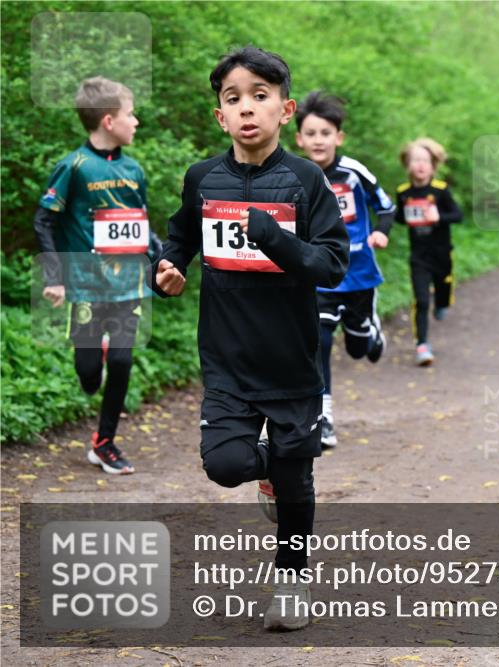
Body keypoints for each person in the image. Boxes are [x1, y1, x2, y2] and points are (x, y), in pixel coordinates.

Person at [151, 46, 349, 631]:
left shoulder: (306, 180)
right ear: (219, 115)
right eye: (233, 98)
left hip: (290, 359)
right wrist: (167, 270)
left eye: (260, 97)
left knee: (296, 478)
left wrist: (276, 241)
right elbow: (179, 237)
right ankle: (270, 465)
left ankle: (292, 582)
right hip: (227, 357)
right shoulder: (202, 178)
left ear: (284, 109)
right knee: (224, 465)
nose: (246, 109)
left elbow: (332, 264)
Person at [34, 76, 163, 475]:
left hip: (128, 284)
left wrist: (158, 253)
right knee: (89, 377)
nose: (136, 121)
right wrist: (54, 277)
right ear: (109, 121)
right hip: (86, 284)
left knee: (123, 361)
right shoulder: (73, 167)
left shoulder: (134, 169)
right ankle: (94, 360)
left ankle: (104, 442)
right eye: (130, 114)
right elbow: (44, 221)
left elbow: (138, 223)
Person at [294, 91, 395, 447]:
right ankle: (324, 419)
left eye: (325, 133)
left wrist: (381, 233)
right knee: (318, 342)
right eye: (311, 133)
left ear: (339, 137)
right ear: (299, 139)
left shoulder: (354, 173)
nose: (318, 140)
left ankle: (369, 330)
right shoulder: (296, 176)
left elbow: (386, 206)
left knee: (357, 349)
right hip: (319, 276)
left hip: (359, 274)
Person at [395, 138, 462, 366]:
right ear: (408, 165)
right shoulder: (403, 193)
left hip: (442, 254)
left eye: (425, 161)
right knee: (421, 301)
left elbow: (458, 216)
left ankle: (442, 303)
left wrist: (438, 217)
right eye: (415, 161)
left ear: (433, 166)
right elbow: (399, 219)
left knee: (443, 291)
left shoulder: (441, 191)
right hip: (419, 257)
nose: (420, 165)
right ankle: (422, 344)